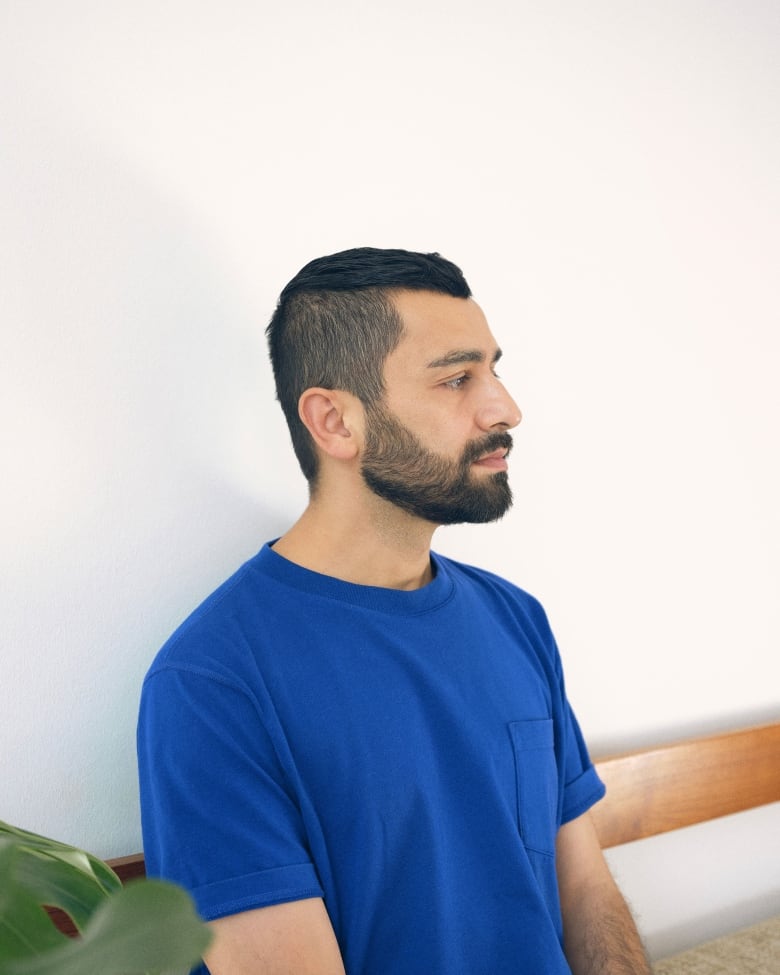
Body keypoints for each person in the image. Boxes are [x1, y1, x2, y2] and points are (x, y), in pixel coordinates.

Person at [137, 247, 650, 975]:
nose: (506, 407)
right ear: (336, 422)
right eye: (457, 378)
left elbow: (585, 888)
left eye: (495, 370)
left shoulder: (515, 619)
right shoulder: (212, 683)